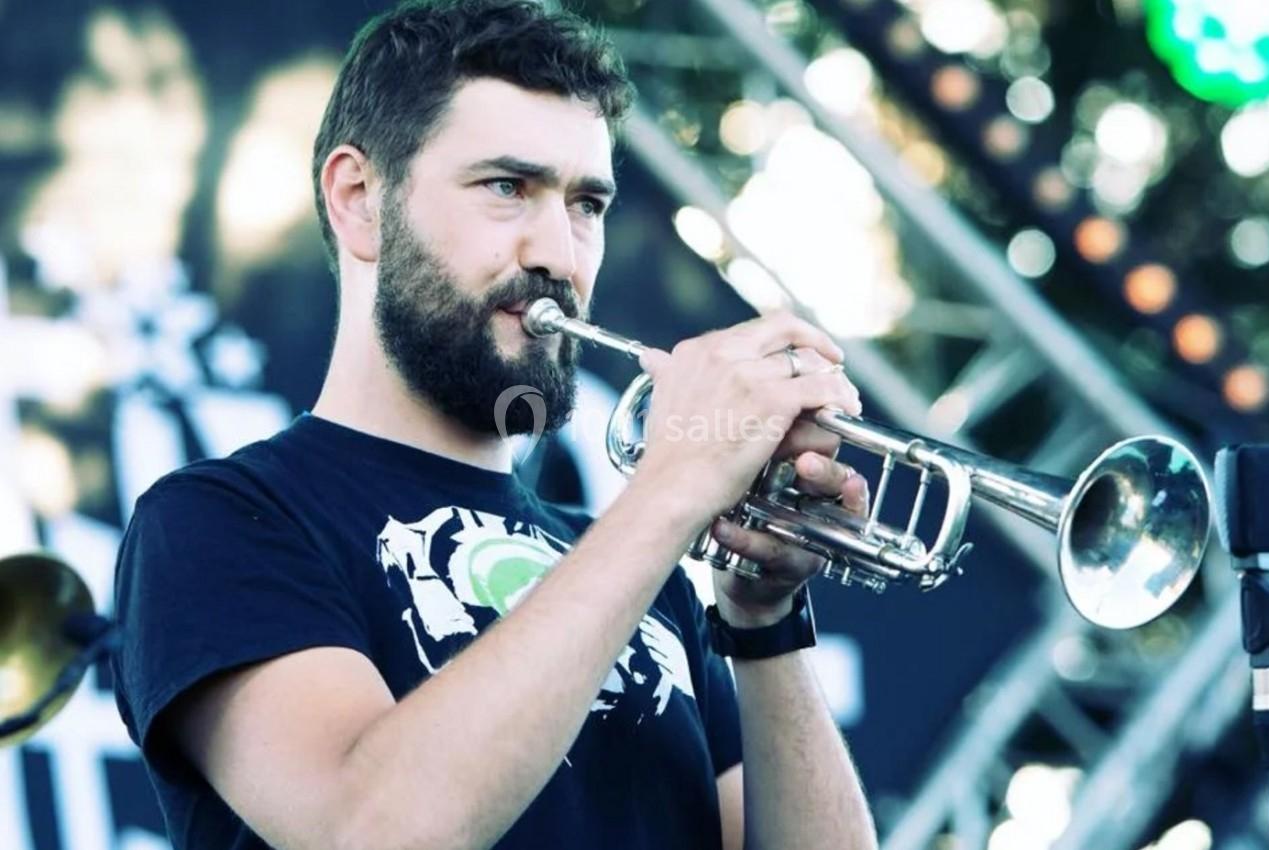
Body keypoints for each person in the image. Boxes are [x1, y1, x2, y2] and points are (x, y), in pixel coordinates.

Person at [111, 1, 879, 848]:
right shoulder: (222, 519)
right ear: (359, 199)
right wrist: (676, 487)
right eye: (508, 188)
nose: (559, 254)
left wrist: (763, 619)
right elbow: (369, 831)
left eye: (586, 204)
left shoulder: (636, 569)